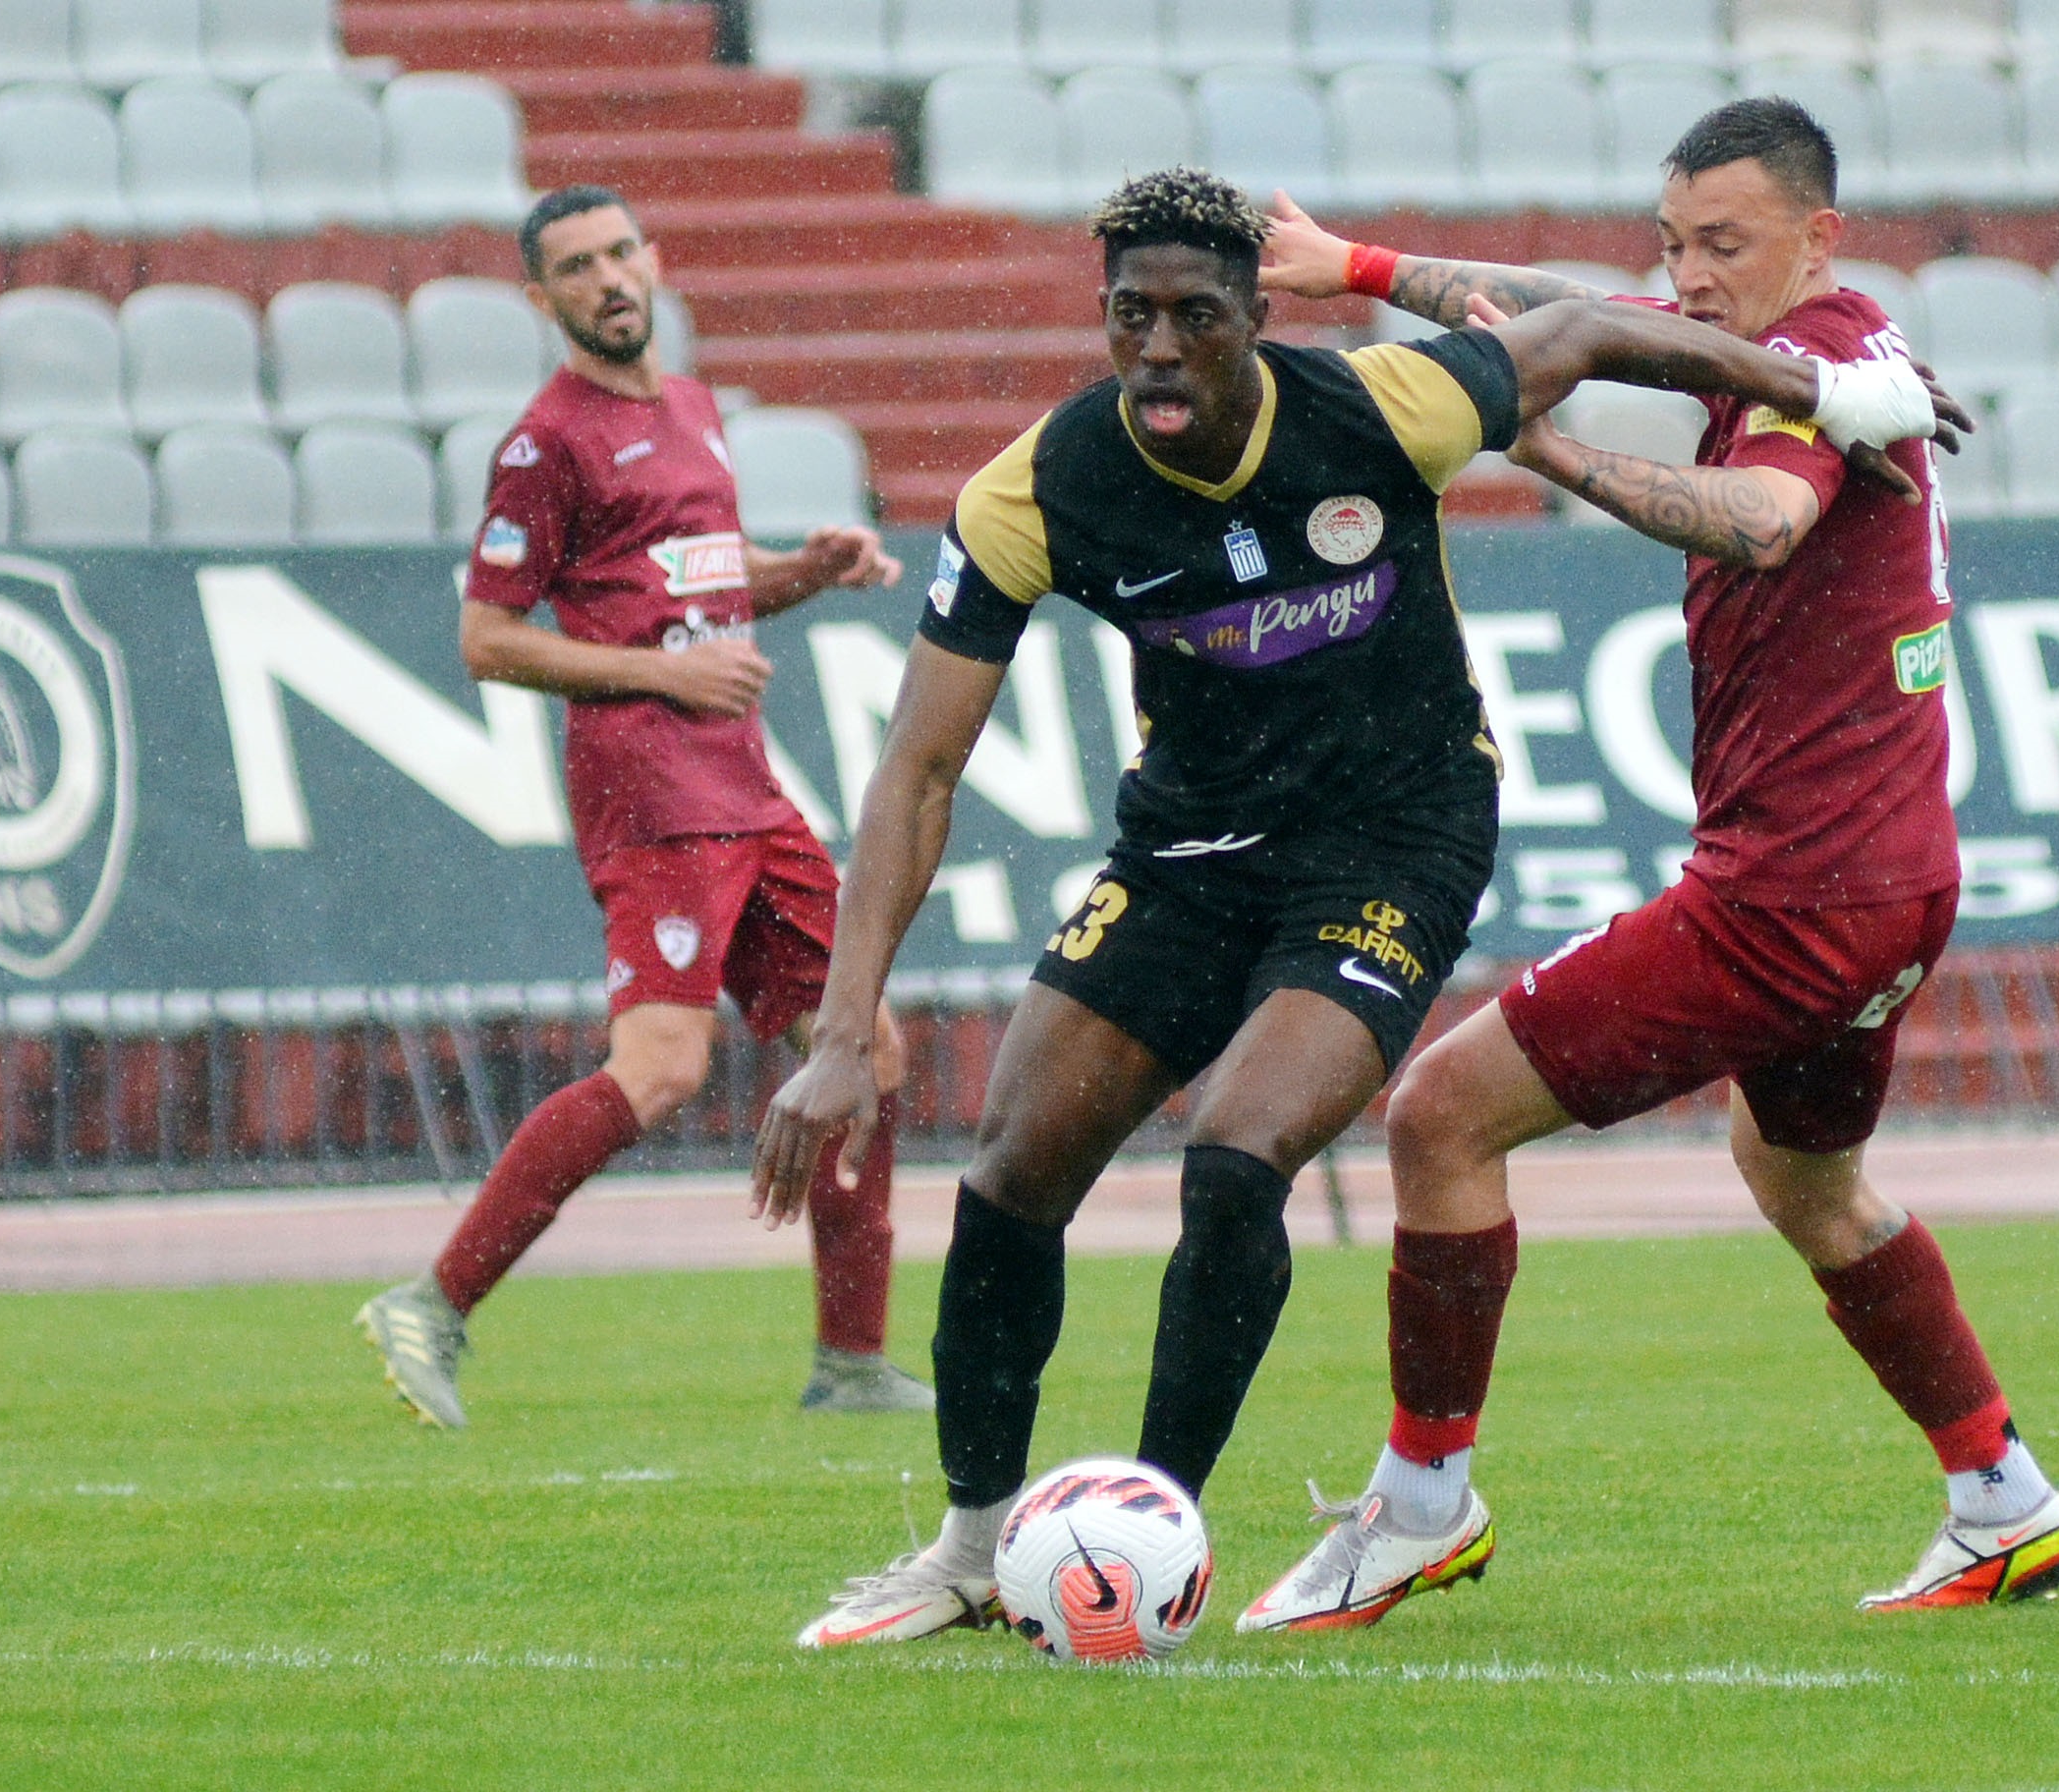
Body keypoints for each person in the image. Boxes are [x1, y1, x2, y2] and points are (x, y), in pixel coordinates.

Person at [745, 166, 1958, 1647]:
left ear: (1255, 318)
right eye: (1131, 318)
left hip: (1395, 840)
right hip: (1186, 851)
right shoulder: (1037, 488)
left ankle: (1149, 1543)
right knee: (1009, 1171)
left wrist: (1821, 392)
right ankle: (968, 1549)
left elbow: (1583, 329)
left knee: (1234, 1154)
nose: (1159, 351)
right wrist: (841, 1030)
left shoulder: (1386, 406)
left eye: (1197, 318)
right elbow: (918, 771)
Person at [1233, 97, 2059, 1633]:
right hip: (1895, 882)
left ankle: (1419, 1508)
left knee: (1438, 1117)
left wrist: (1545, 446)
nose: (1690, 278)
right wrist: (1351, 264)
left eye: (1723, 245)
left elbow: (1759, 523)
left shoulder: (1817, 372)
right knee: (1804, 1178)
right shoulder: (1797, 344)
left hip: (1791, 897)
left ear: (1819, 237)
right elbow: (1564, 309)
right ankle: (2003, 1498)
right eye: (1675, 243)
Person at [354, 186, 932, 1428]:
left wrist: (803, 572)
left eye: (620, 254)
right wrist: (665, 676)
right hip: (649, 791)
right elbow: (487, 639)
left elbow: (700, 594)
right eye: (577, 266)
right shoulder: (545, 444)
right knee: (663, 1068)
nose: (609, 279)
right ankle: (432, 1303)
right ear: (541, 297)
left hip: (742, 782)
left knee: (867, 1048)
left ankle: (850, 1362)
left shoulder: (691, 407)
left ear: (654, 261)